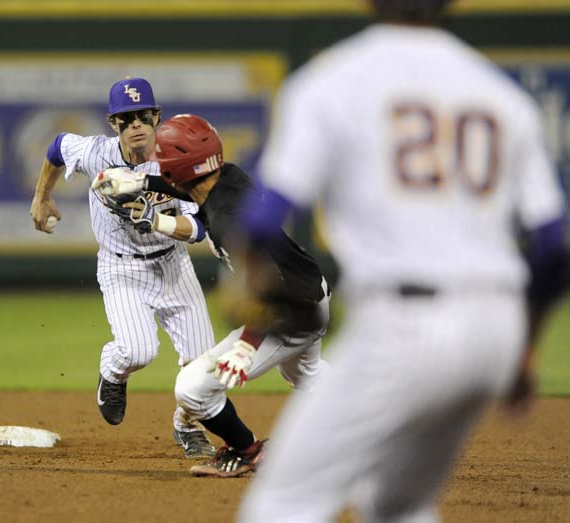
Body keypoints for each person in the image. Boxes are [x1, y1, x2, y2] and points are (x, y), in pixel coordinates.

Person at [235, 0, 569, 521]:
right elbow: (553, 245)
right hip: (495, 328)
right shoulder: (502, 95)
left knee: (282, 503)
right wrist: (524, 345)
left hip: (403, 326)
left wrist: (248, 273)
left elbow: (263, 217)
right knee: (399, 504)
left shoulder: (330, 81)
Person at [91, 114, 331, 478]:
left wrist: (247, 346)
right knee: (308, 377)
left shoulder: (229, 222)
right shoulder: (229, 177)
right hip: (313, 289)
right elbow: (188, 184)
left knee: (192, 389)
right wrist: (141, 180)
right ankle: (386, 421)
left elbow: (270, 292)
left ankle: (246, 450)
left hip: (289, 313)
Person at [29, 77, 217, 460]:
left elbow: (199, 228)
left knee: (205, 368)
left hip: (173, 266)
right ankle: (112, 373)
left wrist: (158, 220)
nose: (136, 125)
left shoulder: (176, 160)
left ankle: (187, 424)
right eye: (126, 118)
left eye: (143, 116)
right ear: (113, 124)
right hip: (122, 270)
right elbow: (57, 147)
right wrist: (41, 196)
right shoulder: (97, 152)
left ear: (156, 117)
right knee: (137, 351)